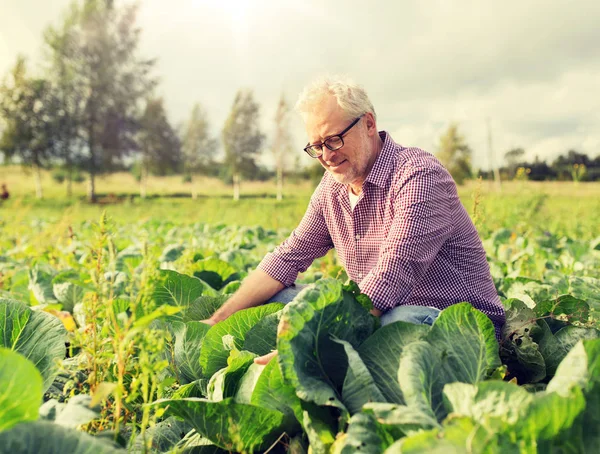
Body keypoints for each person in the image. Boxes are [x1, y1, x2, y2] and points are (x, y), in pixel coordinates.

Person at [202, 76, 505, 364]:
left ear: (369, 124)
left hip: (457, 325)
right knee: (278, 300)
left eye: (333, 140)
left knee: (397, 323)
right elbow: (288, 256)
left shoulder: (418, 176)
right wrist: (217, 321)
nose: (326, 156)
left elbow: (392, 273)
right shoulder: (332, 188)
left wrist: (309, 346)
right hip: (375, 313)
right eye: (316, 147)